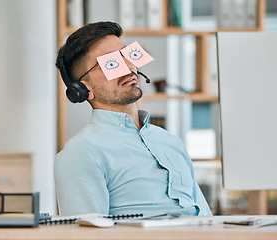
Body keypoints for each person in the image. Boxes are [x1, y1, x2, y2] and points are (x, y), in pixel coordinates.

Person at [54, 21, 212, 217]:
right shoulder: (82, 151)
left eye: (126, 55)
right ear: (84, 89)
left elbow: (208, 220)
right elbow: (89, 234)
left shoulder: (171, 142)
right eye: (110, 63)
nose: (128, 67)